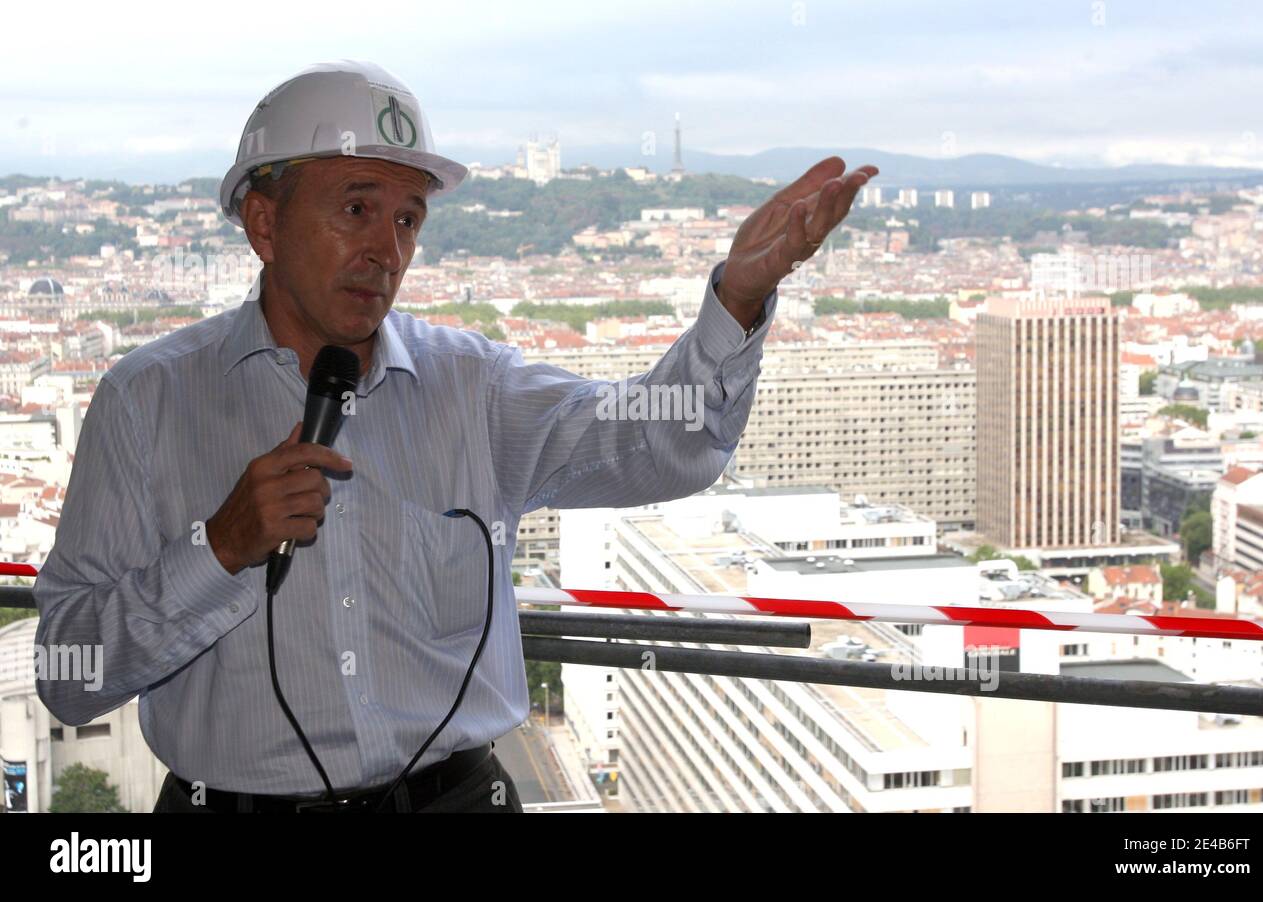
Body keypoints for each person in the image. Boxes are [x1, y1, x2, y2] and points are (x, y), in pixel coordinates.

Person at [32, 60, 876, 813]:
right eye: (356, 209)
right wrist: (216, 550)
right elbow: (64, 676)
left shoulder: (475, 387)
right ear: (263, 224)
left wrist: (737, 298)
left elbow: (665, 443)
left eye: (407, 220)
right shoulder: (146, 401)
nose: (385, 250)